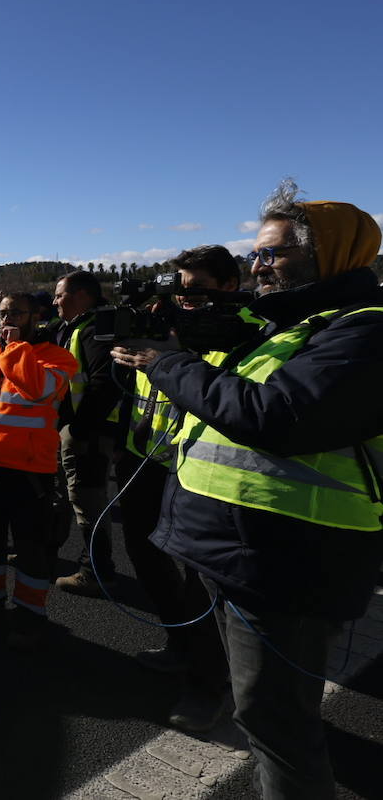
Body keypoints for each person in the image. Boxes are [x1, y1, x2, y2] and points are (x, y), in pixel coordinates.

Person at [113, 182, 383, 798]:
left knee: (276, 724)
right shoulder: (288, 326)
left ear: (334, 255)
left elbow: (276, 417)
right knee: (261, 712)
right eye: (257, 253)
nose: (257, 264)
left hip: (285, 563)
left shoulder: (368, 330)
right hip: (236, 548)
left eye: (274, 253)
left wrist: (166, 363)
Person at [112, 245, 245, 733]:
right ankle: (180, 643)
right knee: (143, 550)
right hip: (145, 454)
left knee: (199, 579)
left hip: (199, 466)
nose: (184, 298)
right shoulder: (162, 320)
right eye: (179, 288)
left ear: (228, 284)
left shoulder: (241, 328)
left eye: (196, 289)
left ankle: (207, 684)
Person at [0, 292, 79, 650]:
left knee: (30, 549)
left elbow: (37, 388)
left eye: (17, 313)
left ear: (35, 316)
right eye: (3, 312)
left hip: (27, 473)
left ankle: (28, 619)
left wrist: (12, 350)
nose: (8, 319)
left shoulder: (56, 358)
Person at [50, 271, 122, 596]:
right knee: (63, 496)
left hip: (88, 435)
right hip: (75, 430)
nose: (55, 302)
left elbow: (104, 384)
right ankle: (46, 552)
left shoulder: (94, 330)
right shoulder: (75, 327)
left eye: (59, 295)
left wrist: (77, 430)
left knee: (86, 502)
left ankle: (97, 570)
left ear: (81, 296)